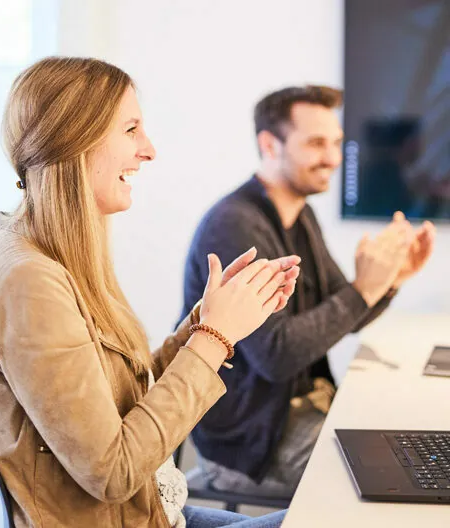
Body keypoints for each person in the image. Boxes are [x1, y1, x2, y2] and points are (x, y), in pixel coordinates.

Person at [0, 57, 301, 528]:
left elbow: (122, 402)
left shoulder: (57, 255)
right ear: (76, 137)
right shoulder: (28, 283)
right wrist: (214, 339)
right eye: (131, 129)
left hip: (152, 512)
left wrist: (207, 324)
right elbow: (112, 472)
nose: (149, 150)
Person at [178, 85, 436, 498]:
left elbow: (345, 313)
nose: (333, 158)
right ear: (269, 144)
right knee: (392, 482)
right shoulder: (235, 224)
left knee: (411, 439)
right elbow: (276, 357)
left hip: (300, 411)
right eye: (317, 143)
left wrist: (389, 281)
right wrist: (364, 289)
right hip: (249, 443)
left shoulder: (302, 215)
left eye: (336, 143)